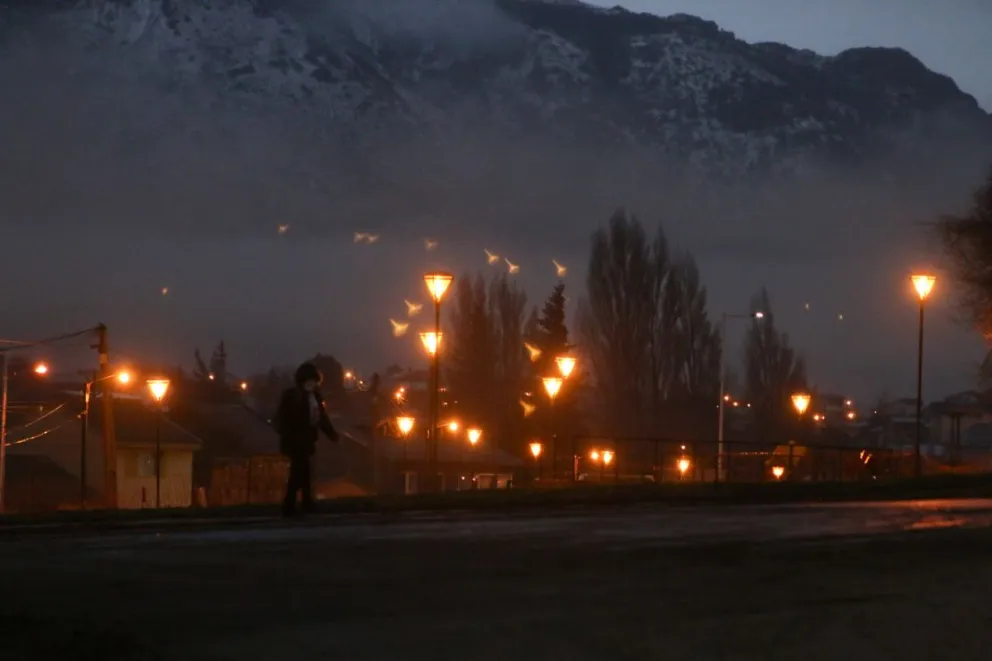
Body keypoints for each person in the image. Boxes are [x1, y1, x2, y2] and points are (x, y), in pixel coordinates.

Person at [274, 362, 339, 517]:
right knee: (300, 472)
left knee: (303, 472)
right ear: (302, 381)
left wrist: (332, 434)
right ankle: (295, 505)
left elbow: (321, 418)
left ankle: (300, 504)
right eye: (309, 381)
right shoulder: (293, 396)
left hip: (307, 441)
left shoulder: (315, 397)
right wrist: (289, 434)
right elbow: (283, 418)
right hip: (295, 441)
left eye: (314, 381)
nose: (311, 384)